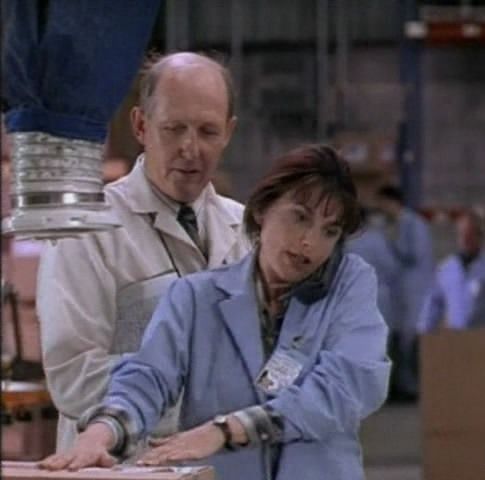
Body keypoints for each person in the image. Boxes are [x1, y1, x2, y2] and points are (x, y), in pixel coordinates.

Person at [39, 144, 391, 480]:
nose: (309, 243)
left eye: (329, 231)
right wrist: (102, 432)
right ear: (262, 210)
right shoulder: (195, 297)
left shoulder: (349, 285)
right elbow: (148, 376)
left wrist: (227, 430)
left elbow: (347, 386)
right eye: (299, 218)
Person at [36, 52, 250, 452]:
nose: (190, 148)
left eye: (207, 131)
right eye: (173, 129)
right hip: (122, 465)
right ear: (140, 125)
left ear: (229, 132)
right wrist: (207, 396)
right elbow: (73, 376)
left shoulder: (248, 230)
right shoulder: (87, 231)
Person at [374, 185, 434, 399]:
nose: (380, 208)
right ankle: (402, 386)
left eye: (382, 203)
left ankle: (413, 387)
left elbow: (414, 254)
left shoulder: (413, 224)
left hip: (415, 289)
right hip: (400, 291)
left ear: (392, 202)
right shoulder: (395, 224)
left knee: (411, 339)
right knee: (399, 338)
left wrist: (392, 240)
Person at [418, 210, 485, 332]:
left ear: (479, 236)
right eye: (462, 234)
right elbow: (433, 305)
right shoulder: (446, 269)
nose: (465, 239)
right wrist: (424, 332)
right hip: (455, 336)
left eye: (470, 235)